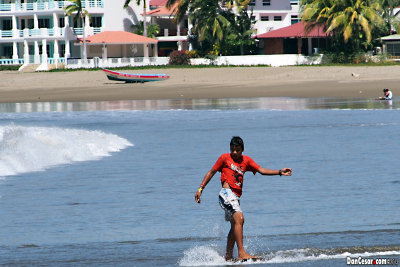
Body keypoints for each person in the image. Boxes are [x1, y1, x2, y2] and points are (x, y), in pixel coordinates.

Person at [194, 136, 292, 261]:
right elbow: (211, 172)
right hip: (226, 193)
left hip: (235, 197)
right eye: (232, 149)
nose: (234, 152)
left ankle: (228, 257)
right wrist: (200, 189)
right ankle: (242, 253)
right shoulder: (224, 158)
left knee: (235, 224)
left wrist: (279, 172)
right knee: (240, 218)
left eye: (237, 150)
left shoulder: (246, 161)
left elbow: (261, 170)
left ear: (242, 150)